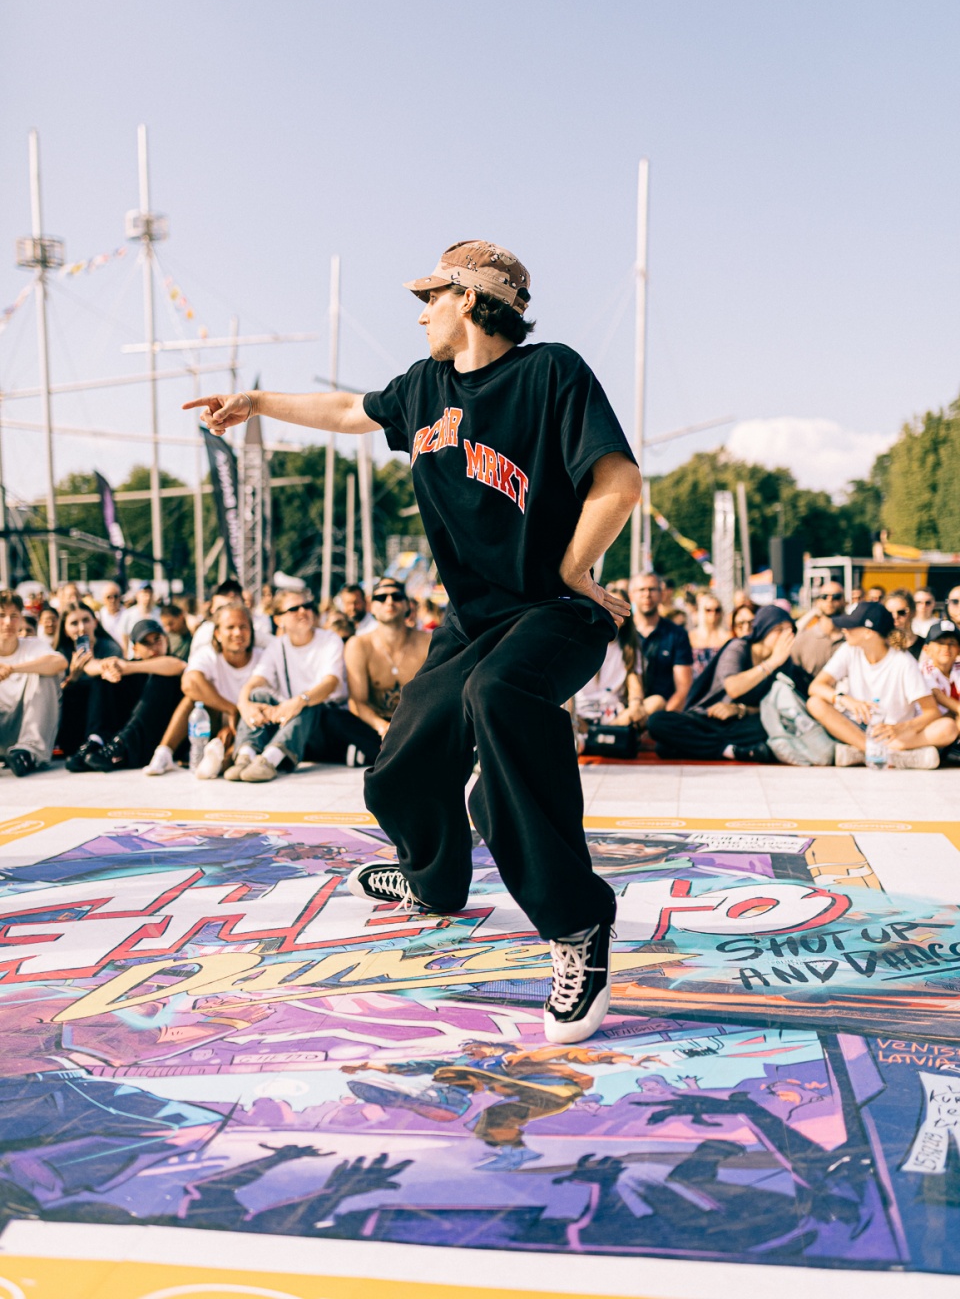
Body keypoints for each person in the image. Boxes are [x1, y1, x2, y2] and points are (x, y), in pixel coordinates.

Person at [187, 237, 642, 1043]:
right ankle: (434, 879)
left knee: (499, 697)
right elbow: (346, 412)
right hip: (471, 620)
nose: (421, 313)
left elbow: (620, 481)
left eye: (431, 297)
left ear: (469, 299)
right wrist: (255, 403)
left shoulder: (550, 373)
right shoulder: (423, 389)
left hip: (553, 611)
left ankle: (577, 925)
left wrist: (575, 567)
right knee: (404, 760)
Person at [807, 602, 957, 769]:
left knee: (948, 727)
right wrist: (845, 700)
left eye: (850, 626)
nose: (844, 630)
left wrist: (899, 728)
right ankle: (882, 753)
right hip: (858, 728)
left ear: (868, 632)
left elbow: (931, 712)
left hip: (893, 733)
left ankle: (863, 753)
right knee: (815, 703)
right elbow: (816, 686)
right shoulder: (849, 650)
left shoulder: (903, 662)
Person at [647, 605, 795, 762]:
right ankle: (729, 750)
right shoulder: (739, 647)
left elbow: (774, 707)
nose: (785, 636)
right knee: (657, 721)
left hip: (740, 723)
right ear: (764, 628)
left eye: (790, 631)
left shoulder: (784, 662)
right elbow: (733, 688)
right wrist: (771, 663)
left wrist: (740, 709)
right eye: (779, 629)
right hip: (707, 718)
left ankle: (706, 746)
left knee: (766, 725)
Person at [229, 589, 348, 781]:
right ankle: (246, 755)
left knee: (309, 700)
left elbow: (330, 683)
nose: (303, 611)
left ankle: (270, 760)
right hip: (291, 719)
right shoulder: (277, 645)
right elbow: (257, 679)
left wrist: (299, 701)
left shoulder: (329, 639)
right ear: (278, 620)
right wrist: (244, 703)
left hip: (324, 722)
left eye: (307, 606)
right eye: (294, 609)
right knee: (257, 695)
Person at [145, 601, 266, 778]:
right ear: (217, 633)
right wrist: (231, 710)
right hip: (217, 718)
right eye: (230, 627)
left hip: (251, 723)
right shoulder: (208, 654)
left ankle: (220, 763)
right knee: (193, 700)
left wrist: (238, 718)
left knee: (252, 722)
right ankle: (164, 753)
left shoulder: (263, 656)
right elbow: (189, 683)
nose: (238, 633)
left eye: (243, 627)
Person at [68, 619, 187, 772]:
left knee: (162, 677)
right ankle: (97, 740)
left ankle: (122, 746)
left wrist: (128, 667)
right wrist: (107, 669)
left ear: (166, 640)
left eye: (157, 639)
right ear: (135, 648)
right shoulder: (130, 667)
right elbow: (93, 667)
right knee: (103, 679)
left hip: (160, 736)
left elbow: (179, 666)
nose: (153, 647)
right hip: (134, 733)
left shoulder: (172, 661)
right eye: (146, 643)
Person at [337, 578, 432, 765]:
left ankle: (378, 754)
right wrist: (382, 727)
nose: (389, 601)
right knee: (333, 718)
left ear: (407, 605)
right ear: (371, 606)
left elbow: (435, 695)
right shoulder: (359, 645)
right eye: (381, 597)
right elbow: (357, 701)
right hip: (375, 726)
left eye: (396, 596)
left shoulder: (427, 642)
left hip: (417, 725)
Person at [571, 586, 664, 735]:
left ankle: (604, 733)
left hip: (616, 716)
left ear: (626, 617)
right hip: (581, 714)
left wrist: (635, 705)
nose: (612, 613)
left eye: (618, 608)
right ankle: (600, 734)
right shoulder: (579, 642)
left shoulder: (629, 647)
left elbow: (634, 686)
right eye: (607, 606)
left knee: (657, 702)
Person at [0, 589, 66, 775]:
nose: (8, 622)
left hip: (25, 727)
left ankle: (28, 752)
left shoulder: (33, 645)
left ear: (21, 619)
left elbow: (60, 663)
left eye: (14, 616)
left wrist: (12, 668)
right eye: (2, 615)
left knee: (46, 673)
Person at [54, 602, 123, 760]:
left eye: (86, 620)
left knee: (100, 680)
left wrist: (95, 666)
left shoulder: (109, 648)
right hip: (73, 719)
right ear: (65, 630)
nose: (81, 628)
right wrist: (72, 678)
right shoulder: (60, 654)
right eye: (74, 623)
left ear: (95, 623)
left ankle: (96, 739)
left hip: (105, 713)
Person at [629, 573, 694, 711]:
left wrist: (661, 718)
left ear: (662, 594)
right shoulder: (621, 632)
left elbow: (683, 688)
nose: (647, 595)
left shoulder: (677, 634)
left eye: (652, 589)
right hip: (625, 710)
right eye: (641, 590)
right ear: (631, 595)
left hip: (664, 711)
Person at [790, 582, 846, 691]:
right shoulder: (803, 638)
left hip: (847, 699)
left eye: (836, 596)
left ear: (844, 601)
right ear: (817, 602)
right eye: (824, 596)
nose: (829, 600)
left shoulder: (852, 638)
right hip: (810, 698)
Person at [190, 580, 273, 653]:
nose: (237, 633)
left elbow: (274, 646)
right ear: (212, 609)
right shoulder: (206, 632)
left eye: (235, 606)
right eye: (222, 608)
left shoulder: (254, 631)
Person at [918, 619, 960, 765]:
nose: (946, 648)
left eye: (952, 643)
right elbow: (936, 694)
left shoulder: (958, 668)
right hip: (928, 726)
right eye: (940, 643)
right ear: (926, 649)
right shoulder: (924, 667)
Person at [687, 592, 730, 678]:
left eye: (717, 610)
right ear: (702, 611)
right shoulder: (691, 636)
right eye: (708, 610)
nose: (713, 613)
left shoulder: (728, 637)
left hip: (719, 681)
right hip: (697, 681)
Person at [119, 583, 160, 656]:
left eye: (150, 593)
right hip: (135, 655)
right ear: (137, 595)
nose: (147, 597)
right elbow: (124, 636)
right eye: (144, 593)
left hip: (156, 655)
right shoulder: (128, 614)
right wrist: (125, 654)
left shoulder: (159, 613)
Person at [885, 589, 924, 660]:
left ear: (913, 612)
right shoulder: (881, 646)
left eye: (901, 612)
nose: (895, 617)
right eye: (889, 613)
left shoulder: (925, 645)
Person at [97, 581, 126, 646]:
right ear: (103, 599)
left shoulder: (128, 615)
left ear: (120, 597)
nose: (112, 600)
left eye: (115, 596)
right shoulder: (98, 617)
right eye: (109, 597)